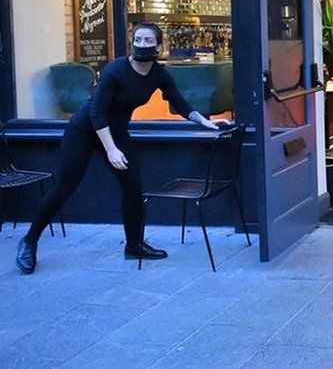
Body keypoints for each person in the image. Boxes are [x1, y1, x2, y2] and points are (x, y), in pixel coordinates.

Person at [16, 23, 228, 274]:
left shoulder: (158, 74)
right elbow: (96, 111)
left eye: (149, 40)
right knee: (65, 186)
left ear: (159, 46)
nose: (142, 44)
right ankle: (29, 241)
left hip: (116, 131)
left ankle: (134, 246)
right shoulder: (116, 70)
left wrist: (207, 122)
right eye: (138, 39)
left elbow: (180, 103)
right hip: (85, 129)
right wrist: (111, 150)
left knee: (132, 186)